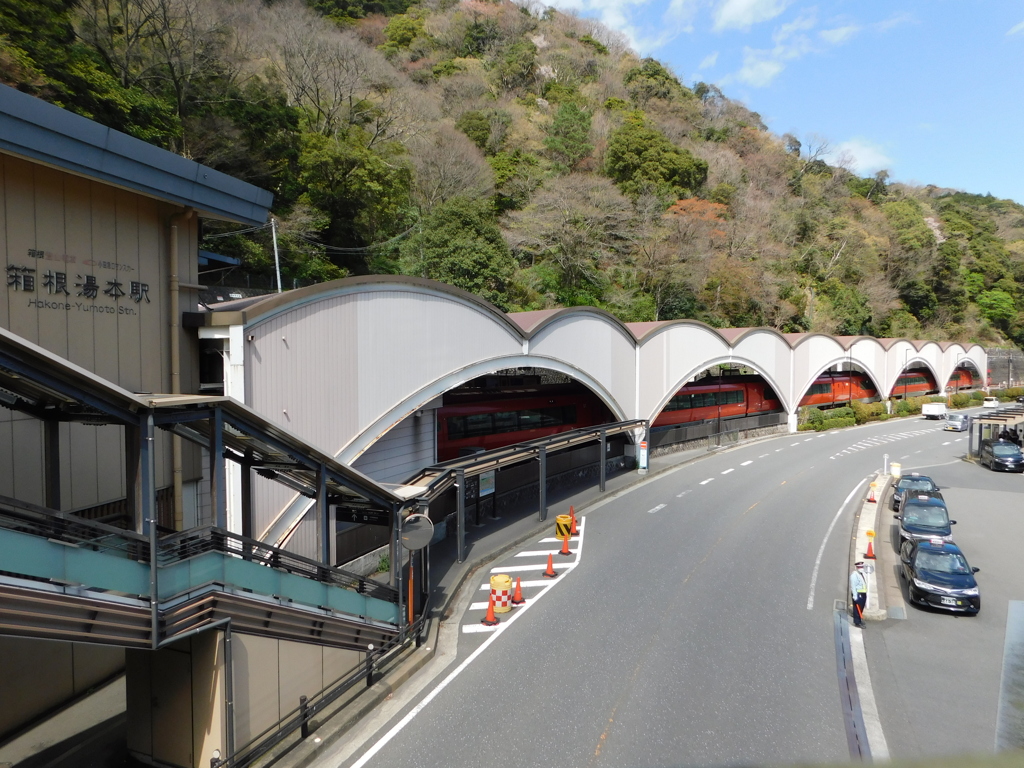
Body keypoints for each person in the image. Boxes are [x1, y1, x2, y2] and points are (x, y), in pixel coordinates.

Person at [850, 561, 867, 628]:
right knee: (857, 609)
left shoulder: (861, 574)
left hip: (863, 593)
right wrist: (855, 596)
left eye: (862, 567)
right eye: (859, 567)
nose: (861, 568)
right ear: (856, 567)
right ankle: (857, 622)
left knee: (861, 608)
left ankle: (859, 619)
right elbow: (853, 586)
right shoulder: (854, 575)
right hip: (858, 594)